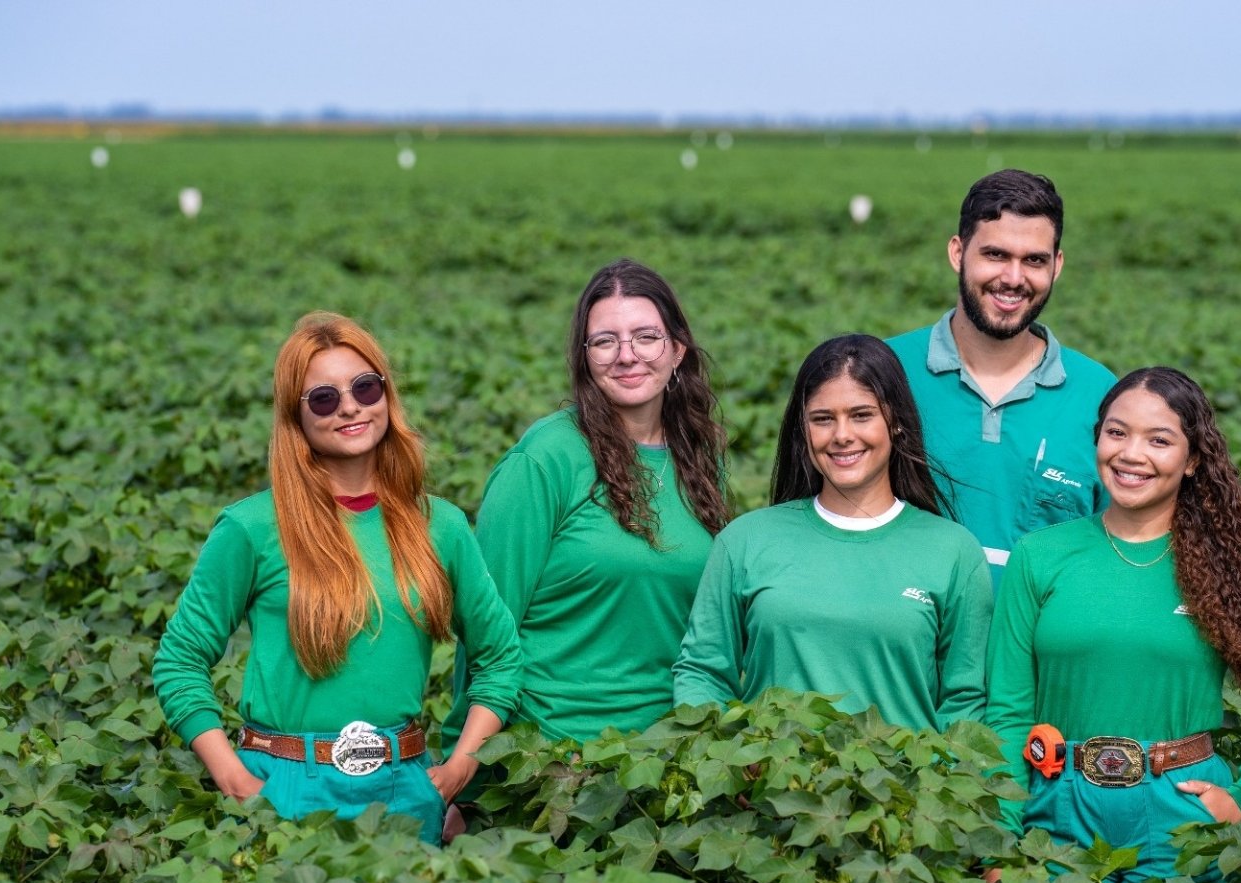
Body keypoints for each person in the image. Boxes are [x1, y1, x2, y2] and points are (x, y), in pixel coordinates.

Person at [152, 312, 522, 845]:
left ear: (386, 397)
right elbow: (180, 659)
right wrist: (231, 776)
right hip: (283, 790)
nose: (349, 406)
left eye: (365, 388)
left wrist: (461, 764)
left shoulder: (439, 525)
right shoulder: (252, 527)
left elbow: (501, 656)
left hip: (404, 787)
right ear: (294, 417)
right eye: (323, 398)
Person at [984, 366, 1241, 883]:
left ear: (1193, 460)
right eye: (1116, 432)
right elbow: (1009, 713)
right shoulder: (1039, 557)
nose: (1131, 454)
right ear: (1097, 439)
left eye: (1159, 440)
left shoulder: (1230, 567)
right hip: (1055, 817)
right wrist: (1002, 839)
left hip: (1184, 823)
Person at [440, 259, 730, 825]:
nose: (627, 354)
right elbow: (485, 632)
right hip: (553, 769)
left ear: (678, 351)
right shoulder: (543, 461)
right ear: (584, 357)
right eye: (605, 340)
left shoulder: (701, 455)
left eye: (647, 336)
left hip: (665, 766)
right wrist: (462, 776)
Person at [673, 334, 992, 733]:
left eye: (861, 415)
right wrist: (727, 764)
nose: (842, 435)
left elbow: (965, 700)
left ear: (894, 421)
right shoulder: (746, 540)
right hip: (770, 788)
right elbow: (703, 671)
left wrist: (936, 785)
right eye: (823, 419)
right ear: (802, 430)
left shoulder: (953, 551)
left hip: (902, 790)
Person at [887, 169, 1117, 587]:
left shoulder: (1101, 396)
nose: (1013, 278)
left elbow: (1119, 555)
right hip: (908, 650)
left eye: (1034, 260)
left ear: (1057, 265)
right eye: (995, 255)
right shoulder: (885, 372)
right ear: (958, 253)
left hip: (1038, 650)